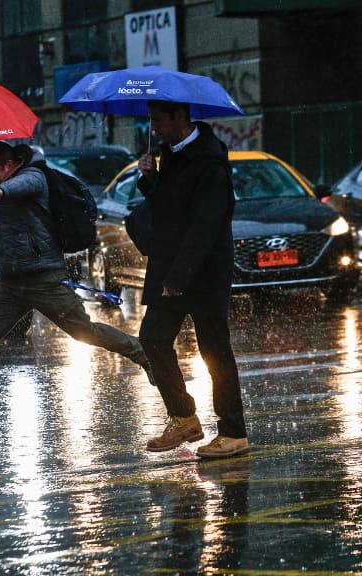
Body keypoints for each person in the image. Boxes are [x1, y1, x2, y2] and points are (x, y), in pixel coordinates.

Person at [0, 141, 154, 423]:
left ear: (10, 166)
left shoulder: (34, 176)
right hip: (10, 283)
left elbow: (22, 186)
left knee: (84, 332)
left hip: (44, 279)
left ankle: (143, 353)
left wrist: (1, 190)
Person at [136, 100, 249, 458]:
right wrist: (150, 179)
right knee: (152, 338)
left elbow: (205, 225)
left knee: (214, 350)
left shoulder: (208, 161)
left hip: (203, 271)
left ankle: (233, 432)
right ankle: (184, 416)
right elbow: (169, 209)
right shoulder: (171, 154)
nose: (154, 128)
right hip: (172, 266)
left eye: (159, 120)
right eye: (151, 120)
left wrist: (180, 276)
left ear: (180, 117)